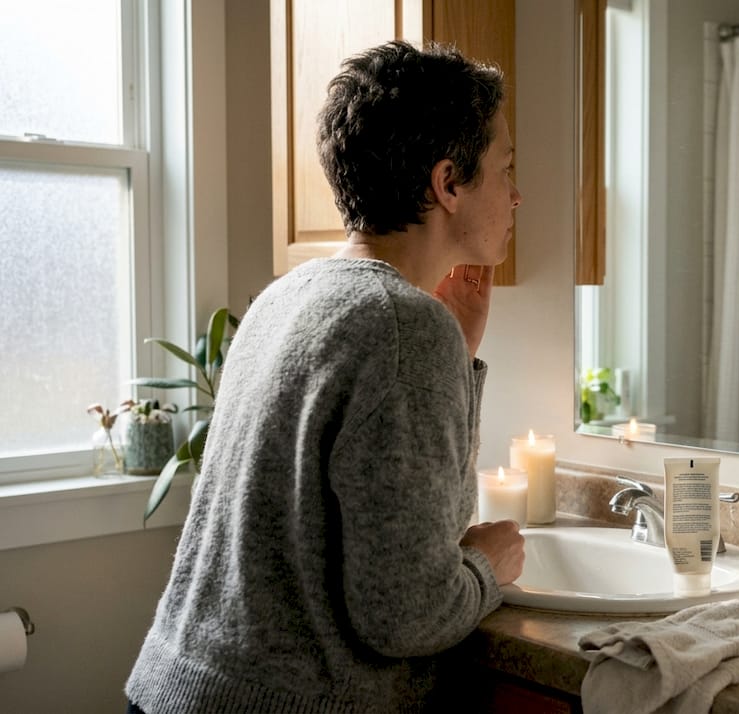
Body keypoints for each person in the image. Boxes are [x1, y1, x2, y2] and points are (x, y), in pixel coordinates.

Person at [125, 41, 525, 711]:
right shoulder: (402, 328)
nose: (516, 196)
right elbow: (408, 612)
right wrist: (489, 567)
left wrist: (458, 356)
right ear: (448, 182)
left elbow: (410, 530)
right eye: (505, 169)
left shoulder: (289, 296)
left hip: (174, 690)